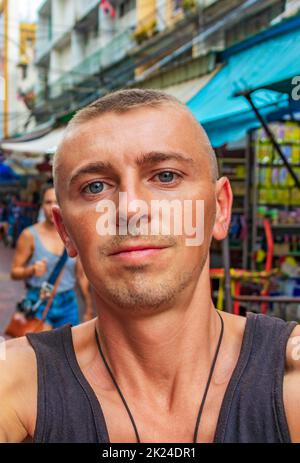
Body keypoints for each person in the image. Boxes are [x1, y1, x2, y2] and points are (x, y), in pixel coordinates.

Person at [0, 88, 300, 443]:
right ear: (66, 230)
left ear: (219, 208)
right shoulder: (14, 384)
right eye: (95, 186)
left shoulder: (289, 378)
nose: (130, 209)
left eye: (166, 176)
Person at [10, 184, 94, 328]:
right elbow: (14, 272)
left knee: (68, 348)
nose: (52, 207)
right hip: (40, 300)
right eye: (48, 202)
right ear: (42, 205)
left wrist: (89, 307)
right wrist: (31, 271)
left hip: (68, 303)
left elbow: (81, 276)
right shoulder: (29, 235)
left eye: (57, 202)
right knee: (42, 349)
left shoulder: (73, 234)